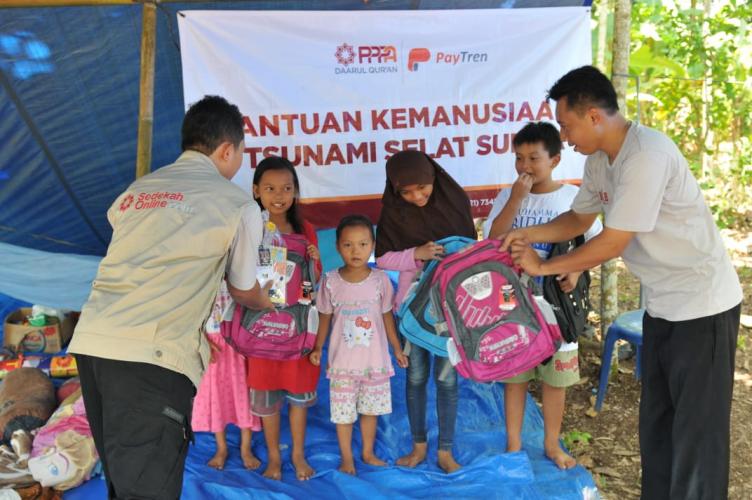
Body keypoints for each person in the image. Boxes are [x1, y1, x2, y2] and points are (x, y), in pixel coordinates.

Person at [501, 66, 742, 499]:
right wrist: (527, 234)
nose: (565, 135)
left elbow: (612, 241)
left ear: (594, 116)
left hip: (702, 306)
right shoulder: (599, 160)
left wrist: (543, 267)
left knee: (697, 437)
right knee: (658, 427)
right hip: (664, 306)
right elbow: (580, 217)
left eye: (567, 125)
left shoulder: (646, 155)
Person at [69, 95, 275, 499]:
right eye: (240, 155)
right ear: (227, 150)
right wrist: (266, 301)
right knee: (146, 488)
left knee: (124, 478)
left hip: (94, 345)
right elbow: (242, 286)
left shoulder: (139, 190)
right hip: (151, 358)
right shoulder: (236, 204)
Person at [484, 121, 602, 469]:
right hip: (513, 306)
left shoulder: (571, 198)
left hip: (557, 309)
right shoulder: (509, 195)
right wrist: (517, 198)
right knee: (516, 379)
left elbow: (595, 242)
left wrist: (577, 268)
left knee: (555, 380)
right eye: (518, 158)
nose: (525, 166)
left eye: (533, 158)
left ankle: (552, 444)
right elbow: (494, 237)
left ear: (555, 159)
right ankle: (513, 445)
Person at [375, 150, 476, 473]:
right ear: (395, 190)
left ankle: (444, 452)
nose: (415, 196)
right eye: (406, 192)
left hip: (449, 312)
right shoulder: (393, 212)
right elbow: (383, 259)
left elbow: (469, 251)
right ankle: (419, 447)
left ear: (434, 178)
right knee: (416, 378)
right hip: (411, 314)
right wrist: (416, 254)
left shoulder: (455, 199)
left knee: (447, 380)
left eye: (422, 188)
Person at [309, 214, 408, 475]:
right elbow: (324, 318)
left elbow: (387, 316)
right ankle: (347, 458)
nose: (356, 251)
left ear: (373, 245)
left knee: (370, 411)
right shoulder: (330, 281)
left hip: (374, 362)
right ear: (338, 246)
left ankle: (367, 452)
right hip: (343, 364)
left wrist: (397, 349)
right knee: (343, 415)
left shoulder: (380, 280)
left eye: (363, 244)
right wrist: (318, 348)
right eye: (348, 245)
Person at [245, 156, 322, 481]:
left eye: (287, 188)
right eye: (271, 188)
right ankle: (275, 457)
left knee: (298, 397)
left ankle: (298, 455)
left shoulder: (306, 230)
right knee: (268, 396)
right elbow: (238, 276)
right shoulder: (250, 229)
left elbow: (315, 283)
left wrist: (316, 263)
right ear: (256, 191)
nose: (279, 195)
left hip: (298, 329)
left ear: (296, 191)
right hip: (262, 330)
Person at [191, 280, 262, 471]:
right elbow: (191, 310)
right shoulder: (202, 273)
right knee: (216, 396)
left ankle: (245, 448)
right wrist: (202, 340)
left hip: (238, 339)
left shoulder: (240, 272)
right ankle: (221, 448)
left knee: (243, 393)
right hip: (212, 343)